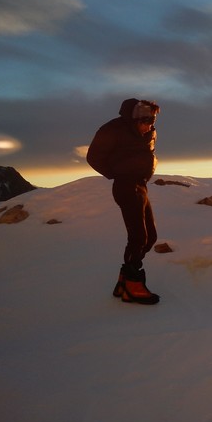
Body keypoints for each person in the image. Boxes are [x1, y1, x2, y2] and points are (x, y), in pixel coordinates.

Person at [87, 98, 161, 304]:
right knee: (138, 237)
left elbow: (148, 154)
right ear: (135, 118)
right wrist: (116, 174)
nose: (150, 126)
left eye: (153, 121)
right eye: (146, 121)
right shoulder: (113, 129)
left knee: (150, 237)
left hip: (140, 185)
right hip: (125, 187)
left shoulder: (148, 132)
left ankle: (124, 281)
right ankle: (132, 286)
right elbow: (93, 157)